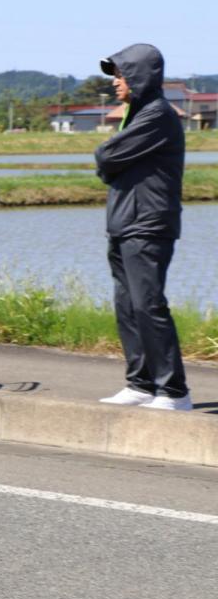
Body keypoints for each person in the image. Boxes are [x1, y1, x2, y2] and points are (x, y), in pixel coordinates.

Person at [95, 44, 191, 411]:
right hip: (123, 224)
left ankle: (175, 391)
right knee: (127, 306)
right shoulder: (136, 117)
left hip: (148, 226)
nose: (116, 82)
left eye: (120, 74)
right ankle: (140, 384)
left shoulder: (157, 116)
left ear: (138, 76)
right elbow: (109, 162)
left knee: (149, 305)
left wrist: (108, 161)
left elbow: (105, 157)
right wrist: (109, 162)